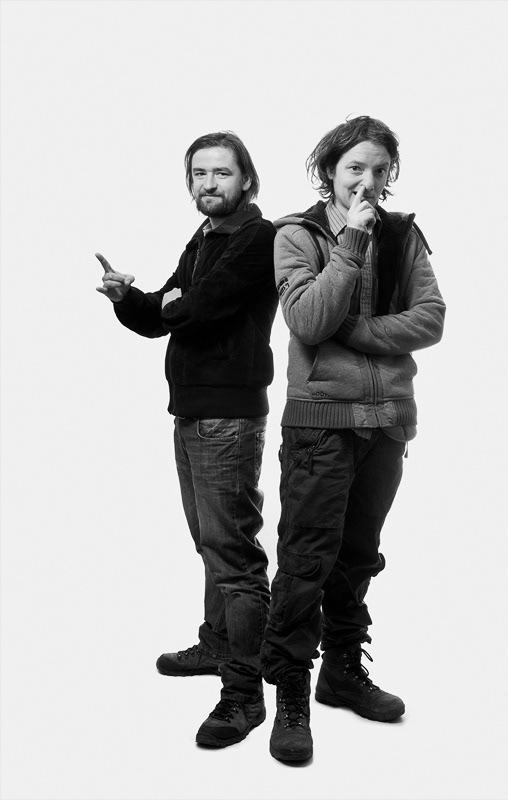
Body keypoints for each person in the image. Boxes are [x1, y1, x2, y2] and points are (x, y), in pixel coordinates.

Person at [260, 116, 446, 762]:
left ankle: (341, 671)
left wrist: (361, 334)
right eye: (354, 168)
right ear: (329, 172)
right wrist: (351, 244)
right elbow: (309, 320)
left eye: (379, 169)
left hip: (388, 421)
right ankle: (291, 689)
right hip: (320, 424)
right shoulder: (298, 233)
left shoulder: (403, 235)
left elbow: (431, 318)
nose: (367, 181)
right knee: (305, 559)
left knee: (358, 555)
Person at [95, 131, 278, 748]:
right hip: (193, 411)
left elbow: (206, 305)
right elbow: (160, 315)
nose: (209, 183)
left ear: (246, 180)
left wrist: (177, 303)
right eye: (199, 173)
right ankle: (218, 643)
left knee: (234, 557)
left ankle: (244, 693)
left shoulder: (257, 237)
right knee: (210, 543)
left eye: (222, 173)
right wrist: (128, 298)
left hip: (228, 417)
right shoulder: (205, 238)